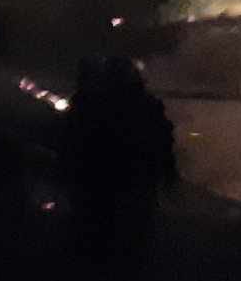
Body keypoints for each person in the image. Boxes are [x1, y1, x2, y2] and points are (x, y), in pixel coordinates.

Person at [63, 57, 176, 264]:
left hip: (108, 180)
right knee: (129, 232)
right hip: (130, 180)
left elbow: (74, 139)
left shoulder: (94, 103)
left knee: (102, 231)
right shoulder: (144, 105)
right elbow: (162, 141)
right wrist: (168, 174)